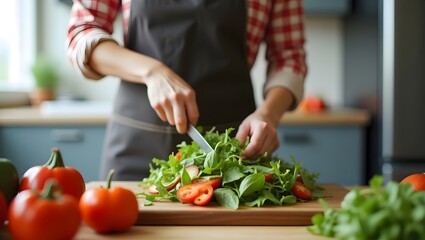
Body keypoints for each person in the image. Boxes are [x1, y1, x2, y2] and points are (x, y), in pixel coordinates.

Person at [66, 0, 307, 181]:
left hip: (232, 155)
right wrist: (151, 71)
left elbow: (289, 57)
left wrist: (269, 114)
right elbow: (82, 32)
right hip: (135, 145)